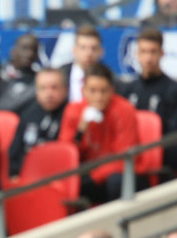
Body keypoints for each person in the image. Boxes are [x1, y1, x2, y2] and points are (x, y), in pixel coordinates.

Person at [58, 63, 140, 203]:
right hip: (89, 171)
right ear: (83, 90)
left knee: (115, 181)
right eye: (93, 91)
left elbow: (124, 158)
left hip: (117, 173)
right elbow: (65, 154)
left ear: (112, 90)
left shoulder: (124, 109)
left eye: (104, 91)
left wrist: (94, 176)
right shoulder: (74, 110)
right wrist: (81, 130)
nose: (99, 97)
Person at [119, 28, 177, 136]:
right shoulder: (128, 90)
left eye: (153, 51)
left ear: (162, 53)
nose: (148, 58)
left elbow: (176, 135)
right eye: (144, 51)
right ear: (137, 54)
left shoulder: (175, 91)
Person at [9, 68, 69, 177]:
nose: (49, 93)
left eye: (54, 88)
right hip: (26, 176)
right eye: (43, 88)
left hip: (56, 176)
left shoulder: (71, 115)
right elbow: (14, 152)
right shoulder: (28, 114)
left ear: (65, 90)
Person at [0, 33, 40, 116]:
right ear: (13, 51)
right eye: (24, 48)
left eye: (34, 50)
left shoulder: (38, 81)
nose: (30, 54)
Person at [59, 25, 104, 103]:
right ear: (74, 50)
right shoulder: (60, 75)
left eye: (93, 48)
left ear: (101, 51)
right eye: (83, 47)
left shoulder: (108, 78)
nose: (89, 53)